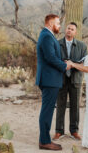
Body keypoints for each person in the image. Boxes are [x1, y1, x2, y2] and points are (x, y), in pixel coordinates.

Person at [35, 14, 72, 151]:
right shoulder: (46, 36)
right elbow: (50, 57)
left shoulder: (47, 35)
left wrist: (62, 62)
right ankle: (44, 142)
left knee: (48, 110)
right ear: (50, 23)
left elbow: (51, 57)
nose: (59, 26)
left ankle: (45, 140)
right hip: (49, 80)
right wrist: (64, 66)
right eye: (57, 23)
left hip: (50, 79)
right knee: (47, 111)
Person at [53, 22, 87, 141]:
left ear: (75, 32)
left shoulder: (82, 46)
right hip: (61, 79)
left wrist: (72, 64)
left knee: (75, 106)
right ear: (65, 30)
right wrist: (64, 64)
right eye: (68, 28)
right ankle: (58, 131)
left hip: (75, 79)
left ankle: (74, 131)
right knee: (60, 105)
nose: (69, 31)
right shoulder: (57, 44)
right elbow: (54, 61)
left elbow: (84, 63)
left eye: (72, 29)